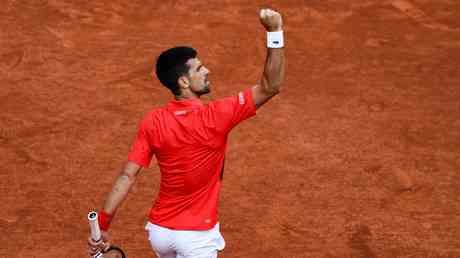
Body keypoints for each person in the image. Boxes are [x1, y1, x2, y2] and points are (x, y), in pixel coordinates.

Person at [88, 8, 285, 258]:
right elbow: (271, 86)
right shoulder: (217, 115)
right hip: (196, 237)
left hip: (160, 232)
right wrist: (275, 32)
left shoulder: (153, 120)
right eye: (199, 69)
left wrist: (103, 225)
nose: (207, 72)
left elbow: (127, 176)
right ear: (183, 81)